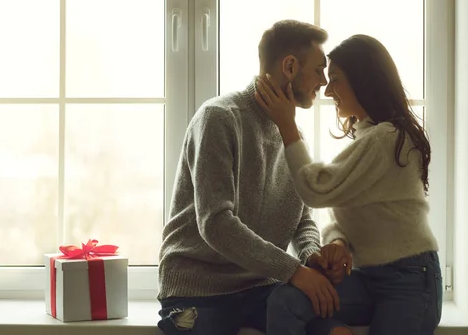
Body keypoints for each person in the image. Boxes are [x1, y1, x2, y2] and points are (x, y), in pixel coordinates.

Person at [157, 19, 354, 335]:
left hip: (262, 288)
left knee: (337, 330)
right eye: (318, 70)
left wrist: (311, 257)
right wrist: (295, 272)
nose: (323, 81)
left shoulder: (292, 136)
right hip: (199, 292)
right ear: (289, 66)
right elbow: (217, 224)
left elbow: (301, 219)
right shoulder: (219, 118)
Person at [255, 34, 442, 335]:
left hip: (409, 280)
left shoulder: (388, 138)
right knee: (286, 301)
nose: (328, 91)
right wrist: (338, 242)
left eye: (336, 80)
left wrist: (287, 125)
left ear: (363, 82)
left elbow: (317, 190)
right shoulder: (368, 136)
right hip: (367, 278)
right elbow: (342, 210)